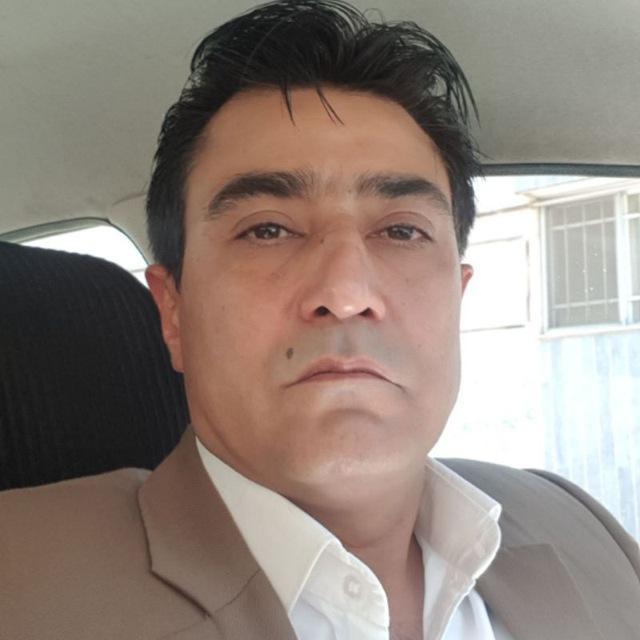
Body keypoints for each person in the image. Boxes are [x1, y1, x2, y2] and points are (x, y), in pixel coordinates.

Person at [1, 1, 638, 639]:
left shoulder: (586, 530)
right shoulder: (19, 582)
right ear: (174, 313)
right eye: (268, 230)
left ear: (458, 297)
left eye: (402, 231)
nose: (346, 292)